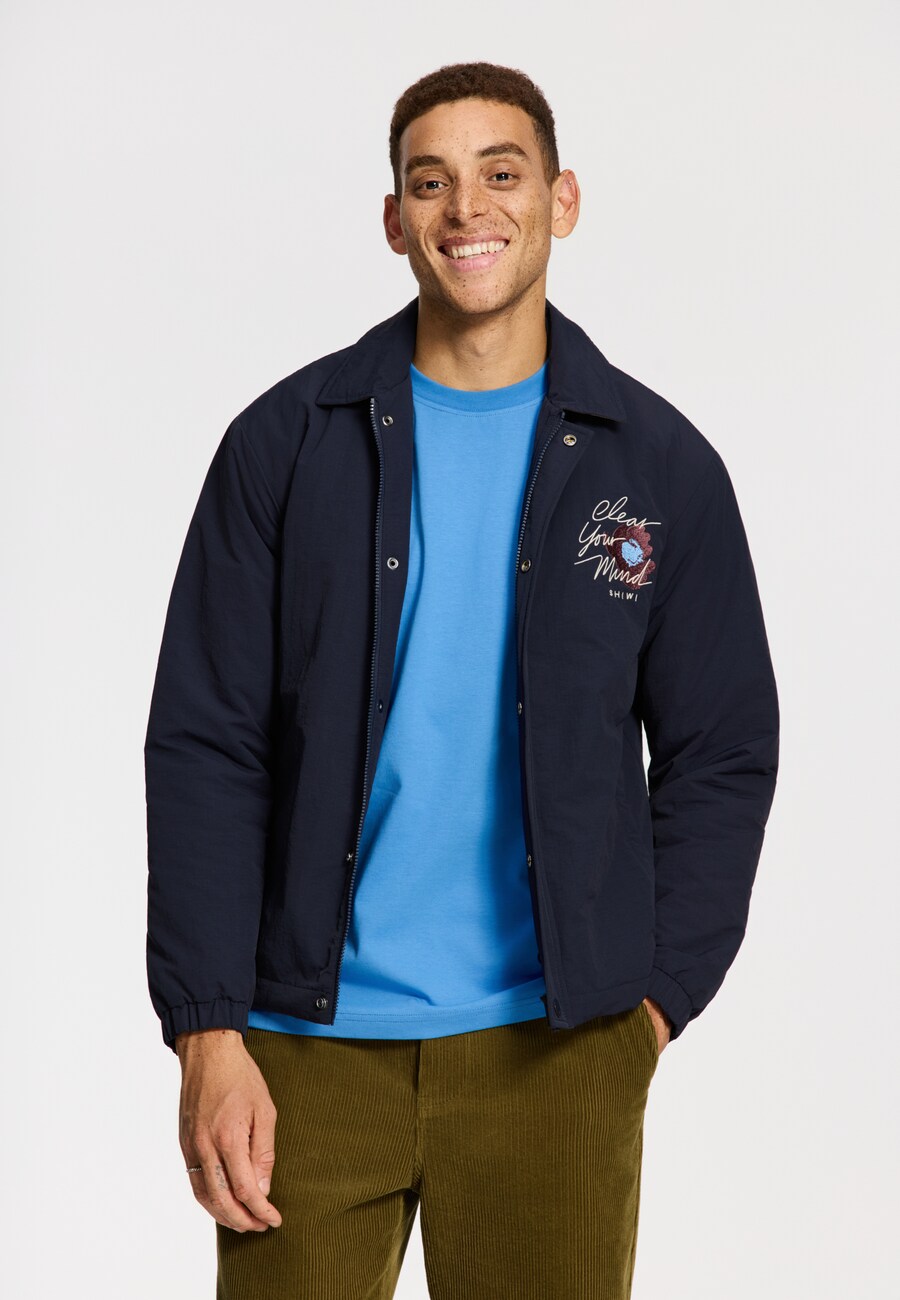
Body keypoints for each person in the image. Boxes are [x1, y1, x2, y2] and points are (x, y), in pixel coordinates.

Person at [144, 60, 780, 1300]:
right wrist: (209, 1028)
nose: (467, 209)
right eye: (431, 183)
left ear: (562, 200)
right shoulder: (284, 446)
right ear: (394, 220)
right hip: (303, 1049)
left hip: (556, 1047)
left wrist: (647, 1009)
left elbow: (723, 749)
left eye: (502, 173)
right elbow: (208, 743)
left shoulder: (659, 467)